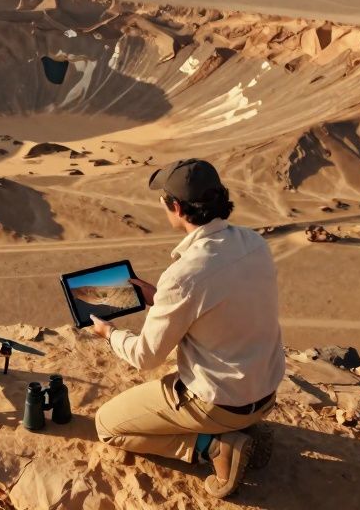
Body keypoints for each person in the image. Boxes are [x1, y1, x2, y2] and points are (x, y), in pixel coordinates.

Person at [89, 158, 285, 499]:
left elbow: (145, 356)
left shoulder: (186, 275)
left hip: (220, 403)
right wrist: (159, 299)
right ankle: (245, 429)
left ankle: (213, 446)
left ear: (176, 207)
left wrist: (109, 334)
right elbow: (224, 304)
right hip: (265, 393)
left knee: (106, 425)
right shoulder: (255, 243)